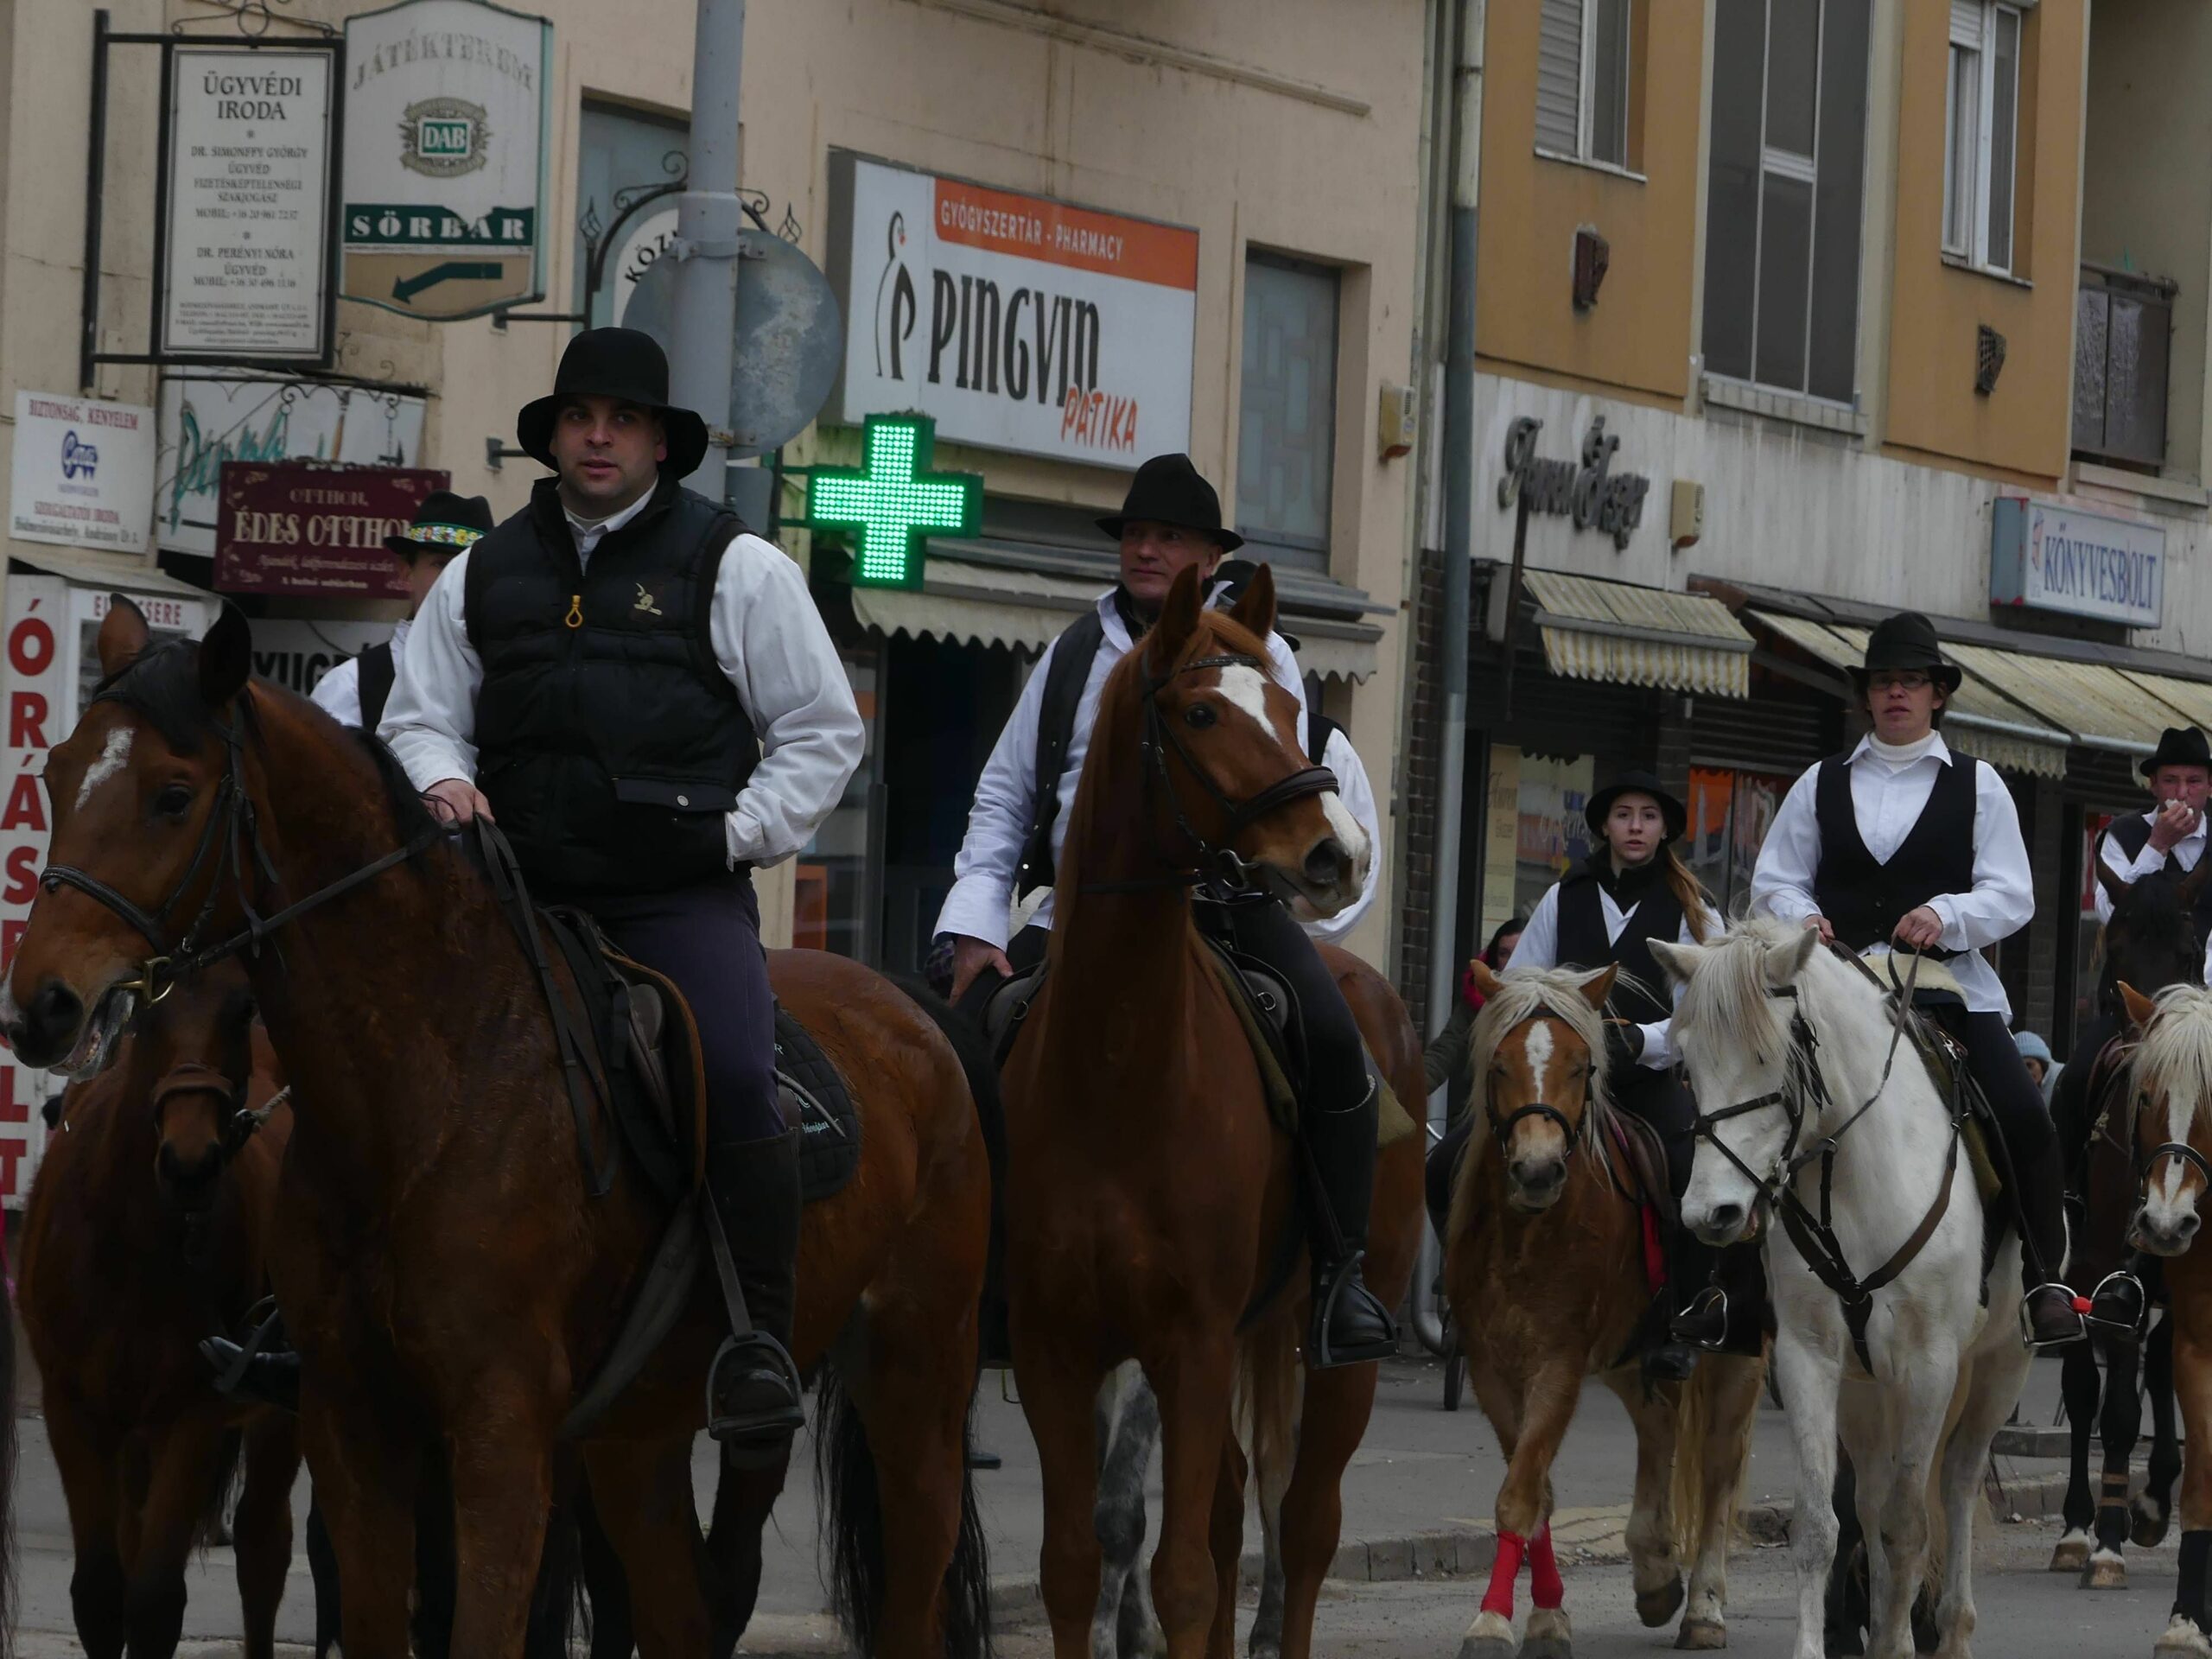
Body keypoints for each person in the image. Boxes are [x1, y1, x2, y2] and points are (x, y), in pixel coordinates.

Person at [375, 327, 865, 1455]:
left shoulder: (737, 566)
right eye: (581, 417)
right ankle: (315, 1304)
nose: (600, 436)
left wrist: (737, 834)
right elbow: (418, 715)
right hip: (508, 898)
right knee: (367, 1044)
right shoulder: (484, 570)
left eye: (624, 419)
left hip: (672, 899)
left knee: (737, 1073)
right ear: (554, 437)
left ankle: (757, 1340)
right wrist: (447, 785)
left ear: (658, 442)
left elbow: (822, 730)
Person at [934, 451, 1396, 1368]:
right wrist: (977, 926)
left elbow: (1300, 791)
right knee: (955, 1045)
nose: (1146, 549)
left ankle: (1340, 1275)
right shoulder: (1071, 654)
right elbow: (1004, 796)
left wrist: (1306, 910)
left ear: (1208, 555)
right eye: (1137, 534)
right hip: (1080, 909)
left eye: (1169, 537)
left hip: (1226, 903)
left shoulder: (1262, 656)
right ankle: (967, 1277)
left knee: (1336, 1044)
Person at [1748, 611, 2082, 1347]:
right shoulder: (1818, 782)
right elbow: (1774, 880)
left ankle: (2046, 1280)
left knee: (2027, 1119)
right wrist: (1802, 915)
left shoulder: (1981, 784)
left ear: (1938, 695)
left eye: (1912, 682)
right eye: (1883, 682)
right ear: (1866, 696)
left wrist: (1947, 912)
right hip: (1834, 989)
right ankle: (1736, 1292)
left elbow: (2013, 893)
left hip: (1945, 989)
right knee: (1745, 1106)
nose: (1896, 693)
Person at [1427, 773, 1756, 1375]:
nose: (1635, 826)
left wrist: (1645, 1041)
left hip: (1647, 1079)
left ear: (1664, 831)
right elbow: (1521, 988)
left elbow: (1706, 1009)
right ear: (1604, 826)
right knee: (1447, 1161)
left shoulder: (1693, 907)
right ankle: (1464, 1293)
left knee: (1691, 1173)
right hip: (1557, 1083)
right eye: (1624, 815)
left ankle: (1686, 1317)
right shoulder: (1563, 895)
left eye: (1648, 817)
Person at [309, 491, 495, 729]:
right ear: (406, 572)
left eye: (469, 565)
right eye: (442, 564)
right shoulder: (351, 685)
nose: (455, 578)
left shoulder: (508, 674)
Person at [1421, 916, 1524, 1106]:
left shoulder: (1547, 1006)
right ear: (1495, 958)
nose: (1511, 962)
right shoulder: (1477, 999)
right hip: (1483, 1108)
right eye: (1504, 953)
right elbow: (1446, 1049)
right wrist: (1412, 1089)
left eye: (1518, 953)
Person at [2012, 1029, 2062, 1104]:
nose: (2026, 1072)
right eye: (2019, 1068)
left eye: (2029, 1065)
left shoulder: (2061, 1080)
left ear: (2042, 1064)